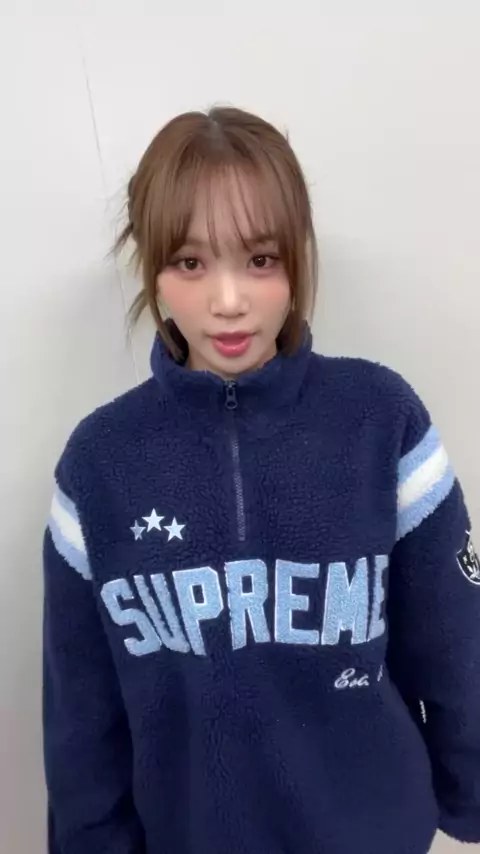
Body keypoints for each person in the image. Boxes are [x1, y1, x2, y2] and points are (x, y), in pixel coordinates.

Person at [43, 106, 480, 854]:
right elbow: (82, 717)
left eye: (260, 259)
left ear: (296, 259)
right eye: (190, 263)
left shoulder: (382, 420)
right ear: (152, 269)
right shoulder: (98, 464)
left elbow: (455, 642)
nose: (228, 301)